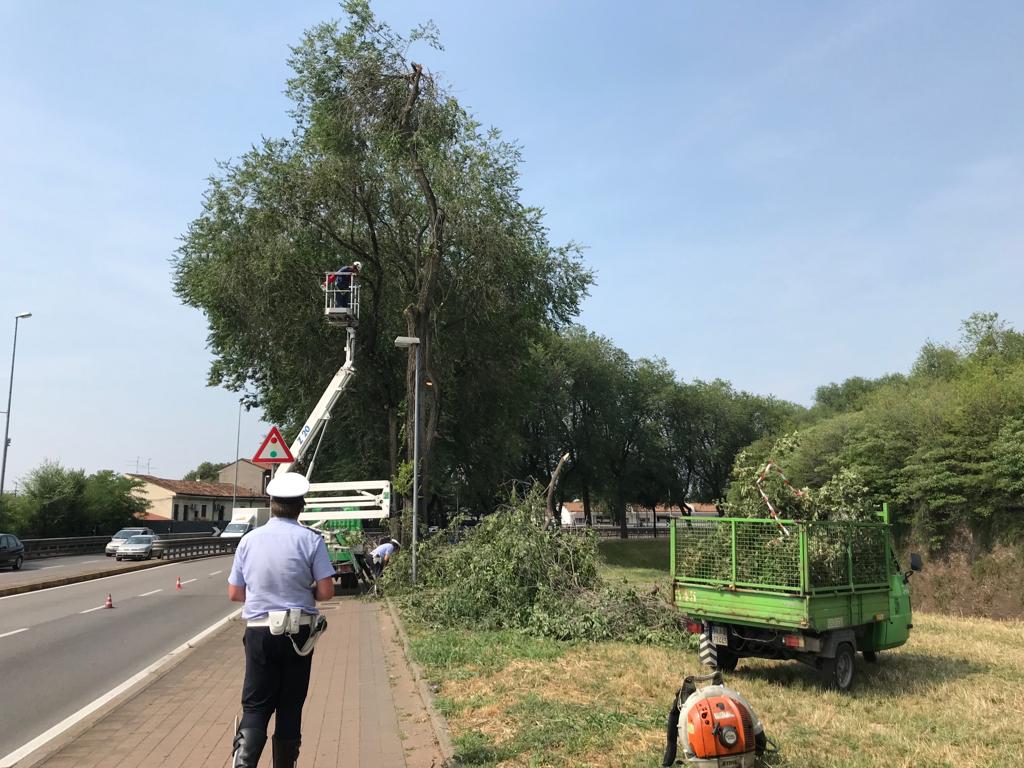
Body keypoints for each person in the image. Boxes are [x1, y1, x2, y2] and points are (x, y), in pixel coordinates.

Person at [227, 471, 335, 768]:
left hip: (260, 632)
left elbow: (235, 593)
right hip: (298, 633)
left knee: (256, 706)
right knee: (289, 707)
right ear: (301, 507)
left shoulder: (249, 541)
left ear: (271, 503)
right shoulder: (311, 540)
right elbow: (325, 591)